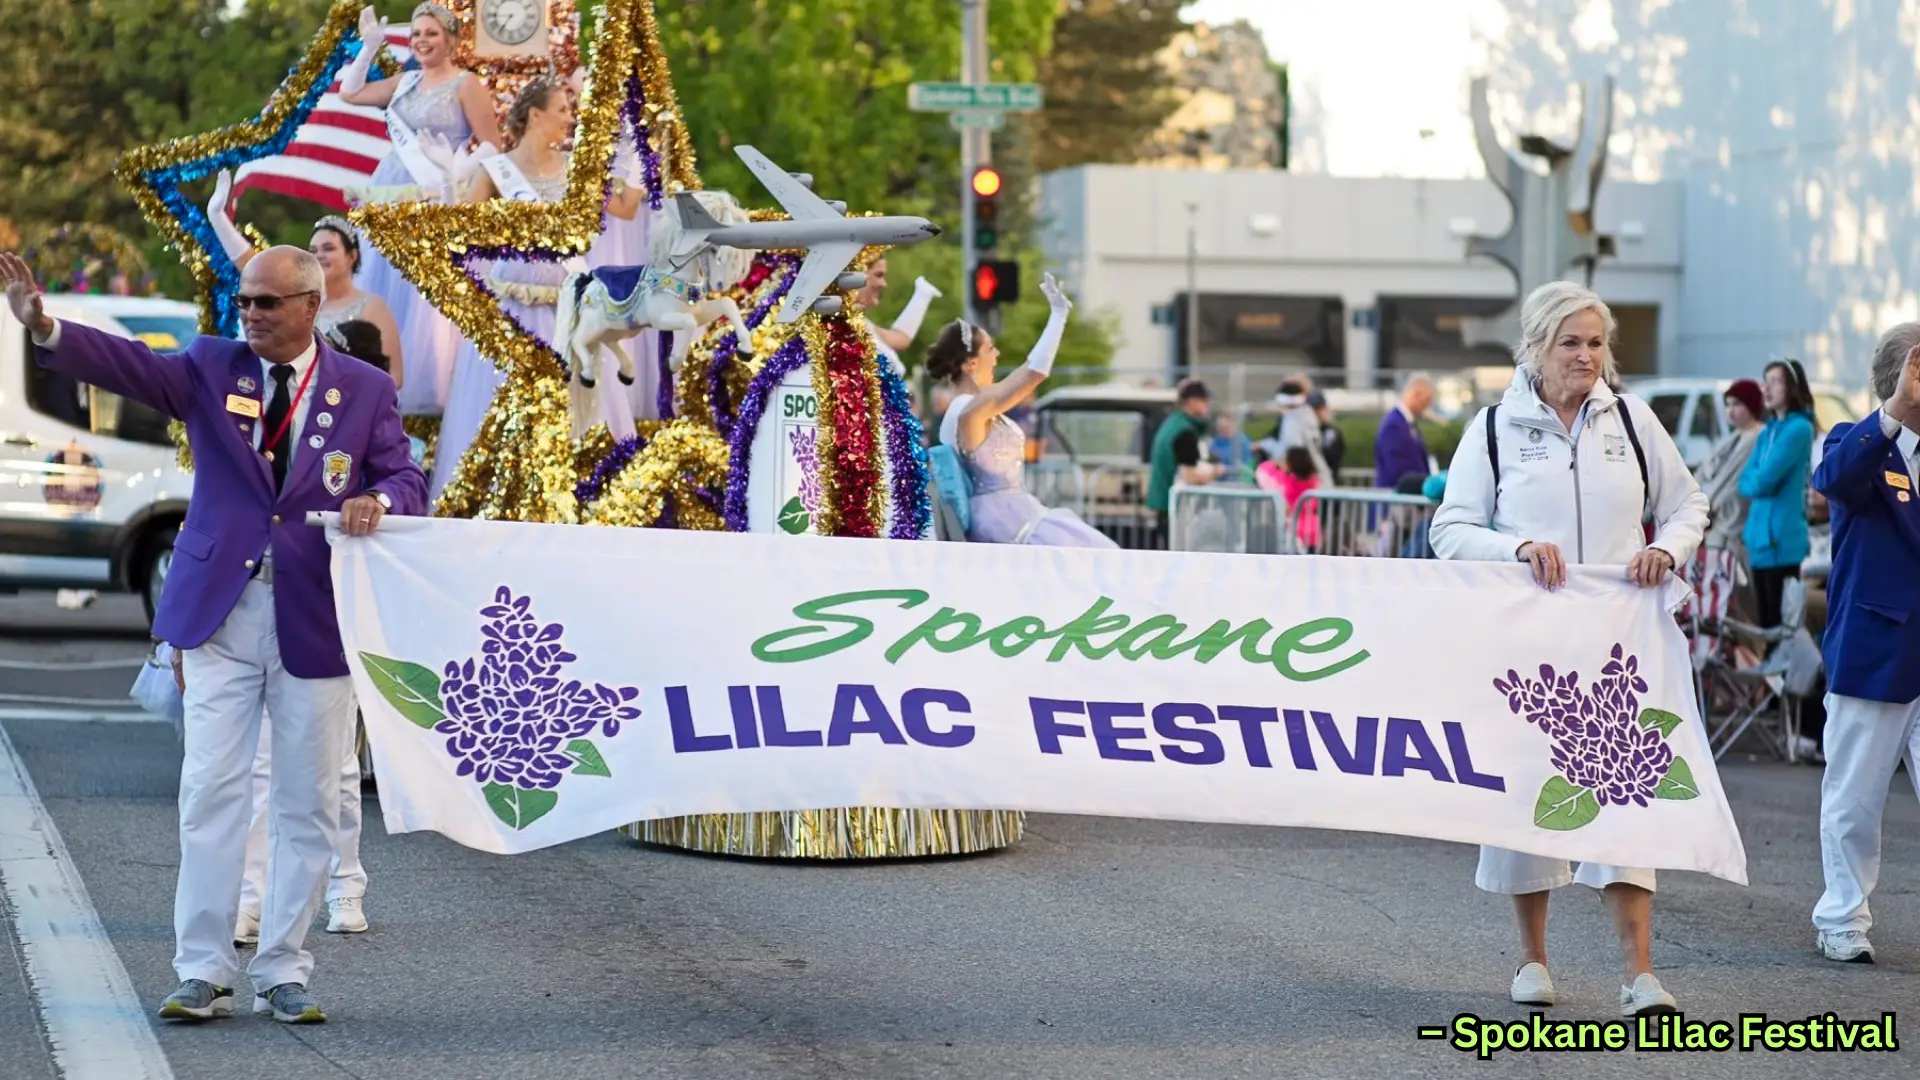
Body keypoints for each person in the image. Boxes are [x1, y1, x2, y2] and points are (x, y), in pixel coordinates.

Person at [0, 245, 425, 1025]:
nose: (249, 314)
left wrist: (381, 501)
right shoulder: (210, 364)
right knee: (210, 791)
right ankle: (201, 969)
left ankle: (284, 969)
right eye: (245, 301)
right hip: (221, 614)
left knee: (307, 803)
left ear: (311, 305)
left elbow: (405, 476)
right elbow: (133, 367)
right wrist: (46, 326)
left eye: (267, 303)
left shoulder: (363, 389)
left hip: (315, 618)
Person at [1430, 280, 1708, 1018]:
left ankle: (1639, 974)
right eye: (1570, 343)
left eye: (1596, 343)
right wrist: (1517, 547)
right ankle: (1533, 961)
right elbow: (1450, 529)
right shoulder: (1494, 427)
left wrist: (1668, 549)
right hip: (1531, 648)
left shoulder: (1634, 420)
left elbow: (1687, 504)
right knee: (1528, 794)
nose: (1586, 356)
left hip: (1620, 645)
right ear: (1535, 347)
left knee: (1628, 794)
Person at [431, 76, 643, 500]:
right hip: (512, 305)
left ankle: (579, 494)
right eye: (562, 109)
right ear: (535, 114)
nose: (569, 117)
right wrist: (450, 183)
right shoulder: (495, 170)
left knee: (576, 398)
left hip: (569, 306)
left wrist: (635, 145)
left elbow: (626, 207)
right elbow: (461, 231)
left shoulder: (578, 169)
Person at [1808, 323, 1920, 964]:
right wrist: (1897, 409)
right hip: (1875, 648)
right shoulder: (1855, 440)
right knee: (1853, 798)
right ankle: (1842, 917)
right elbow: (1836, 479)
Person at [339, 3, 504, 418]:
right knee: (383, 279)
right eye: (416, 34)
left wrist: (456, 169)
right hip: (392, 190)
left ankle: (422, 390)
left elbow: (492, 146)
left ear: (451, 40)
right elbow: (350, 93)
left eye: (431, 33)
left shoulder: (467, 84)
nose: (421, 41)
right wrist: (369, 48)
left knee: (422, 295)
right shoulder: (405, 81)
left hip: (437, 195)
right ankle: (376, 378)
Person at [932, 274, 1113, 547]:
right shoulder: (967, 408)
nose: (997, 355)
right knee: (1095, 553)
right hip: (1004, 520)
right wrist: (1058, 316)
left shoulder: (972, 406)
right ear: (970, 364)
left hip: (1014, 512)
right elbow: (1033, 374)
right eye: (990, 348)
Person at [1738, 360, 1816, 630]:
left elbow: (1762, 482)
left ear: (1792, 387)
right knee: (1764, 625)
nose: (1767, 388)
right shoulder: (1767, 431)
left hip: (1782, 542)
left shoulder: (1799, 429)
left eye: (1776, 381)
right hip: (1758, 541)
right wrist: (1756, 481)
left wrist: (1756, 481)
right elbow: (1744, 482)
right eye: (1765, 381)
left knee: (1781, 631)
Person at [1689, 378, 1764, 634]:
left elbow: (1731, 485)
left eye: (1737, 404)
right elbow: (1706, 473)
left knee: (1736, 597)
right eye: (1728, 404)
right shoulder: (1735, 437)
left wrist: (1704, 508)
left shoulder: (1757, 437)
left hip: (1734, 529)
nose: (1731, 410)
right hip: (1716, 525)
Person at [1146, 380, 1226, 547]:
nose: (1207, 405)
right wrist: (1215, 472)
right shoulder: (1184, 432)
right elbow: (1190, 476)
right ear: (1191, 401)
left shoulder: (1172, 424)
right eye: (1203, 400)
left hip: (1164, 504)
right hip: (1176, 508)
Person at [856, 258, 942, 379]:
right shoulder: (838, 326)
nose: (884, 284)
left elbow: (900, 339)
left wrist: (922, 296)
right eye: (878, 275)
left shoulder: (862, 324)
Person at [1255, 445, 1323, 550]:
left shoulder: (1287, 481)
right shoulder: (1314, 482)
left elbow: (1262, 470)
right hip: (1313, 532)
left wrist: (1274, 463)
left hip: (1294, 532)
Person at [1375, 373, 1435, 489]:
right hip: (1395, 495)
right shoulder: (1393, 425)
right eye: (1426, 401)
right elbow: (1395, 469)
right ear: (1416, 395)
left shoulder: (1408, 424)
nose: (1427, 407)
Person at [1210, 413, 1254, 480]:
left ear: (1233, 426)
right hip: (1218, 480)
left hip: (1238, 481)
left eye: (1226, 427)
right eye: (1221, 428)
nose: (1223, 431)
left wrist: (1226, 469)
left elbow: (1247, 468)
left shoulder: (1243, 442)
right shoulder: (1216, 442)